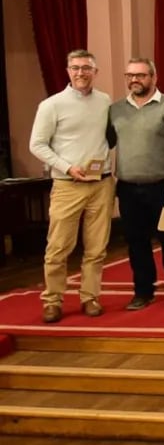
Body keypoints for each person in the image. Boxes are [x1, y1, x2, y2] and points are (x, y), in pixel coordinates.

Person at [28, 49, 115, 323]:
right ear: (68, 71)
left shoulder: (105, 101)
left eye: (87, 68)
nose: (81, 73)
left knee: (97, 248)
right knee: (58, 247)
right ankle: (52, 300)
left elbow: (108, 139)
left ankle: (90, 297)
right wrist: (67, 167)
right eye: (76, 68)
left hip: (101, 184)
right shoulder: (51, 105)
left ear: (95, 72)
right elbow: (37, 145)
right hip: (67, 185)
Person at [109, 57, 164, 310]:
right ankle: (143, 292)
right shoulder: (115, 110)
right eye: (130, 75)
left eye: (141, 75)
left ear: (154, 78)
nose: (135, 80)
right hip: (128, 188)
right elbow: (104, 144)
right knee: (136, 242)